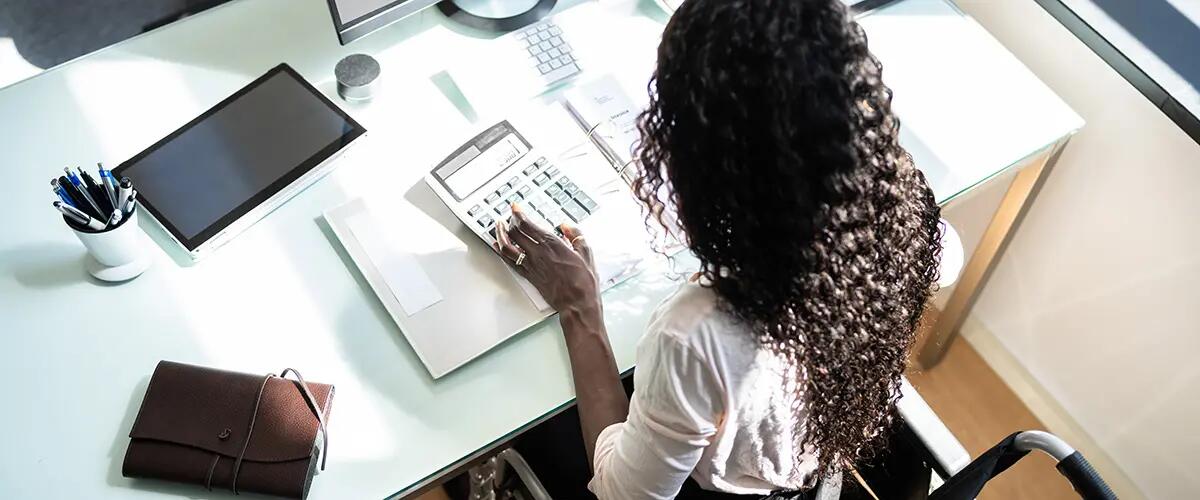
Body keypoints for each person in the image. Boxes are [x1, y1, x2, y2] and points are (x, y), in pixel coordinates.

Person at [492, 0, 943, 498]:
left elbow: (625, 496)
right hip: (810, 458)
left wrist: (581, 310)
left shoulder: (697, 334)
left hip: (707, 486)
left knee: (527, 416)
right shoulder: (900, 205)